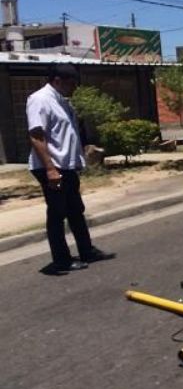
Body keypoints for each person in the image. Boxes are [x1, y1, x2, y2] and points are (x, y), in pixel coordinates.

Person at [27, 64, 115, 271]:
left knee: (76, 210)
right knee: (57, 213)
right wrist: (50, 169)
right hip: (51, 166)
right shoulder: (39, 99)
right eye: (72, 83)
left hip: (66, 166)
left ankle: (87, 251)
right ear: (58, 80)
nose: (74, 87)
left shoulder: (62, 102)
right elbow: (36, 135)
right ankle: (61, 260)